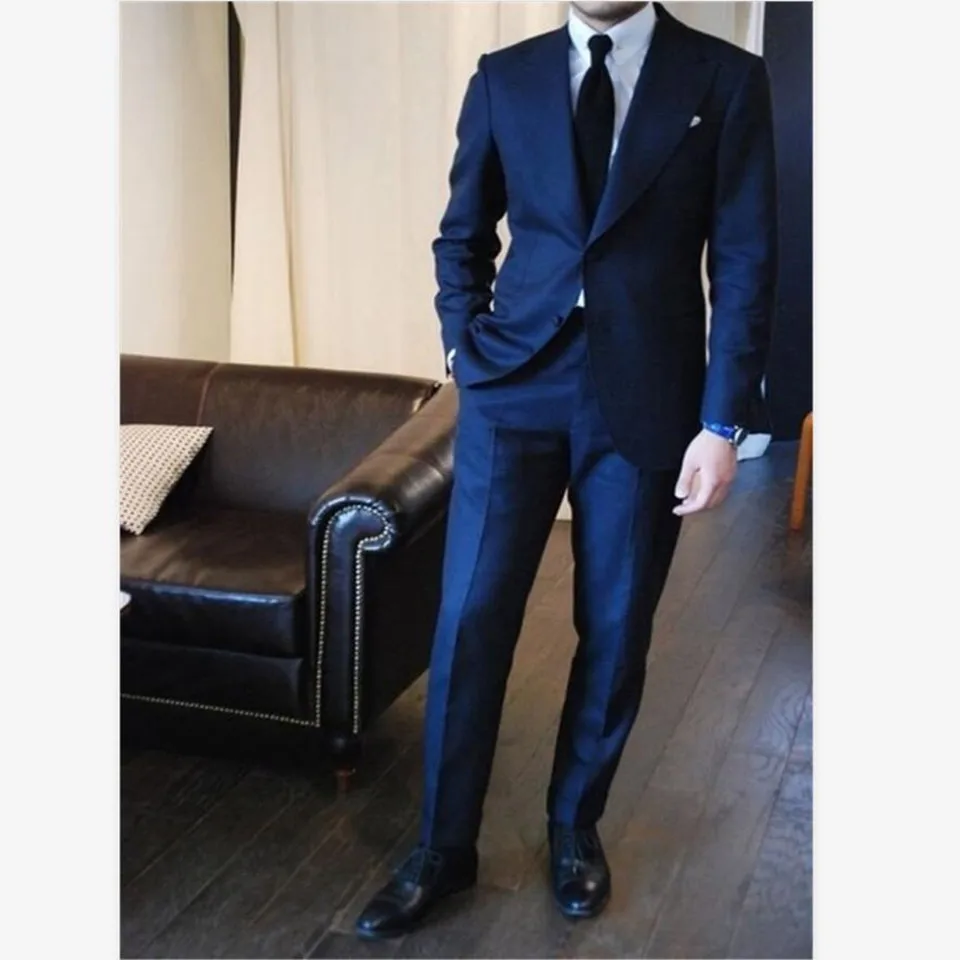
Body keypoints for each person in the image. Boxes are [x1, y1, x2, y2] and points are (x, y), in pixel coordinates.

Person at [355, 0, 776, 939]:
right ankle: (442, 847)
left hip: (649, 394)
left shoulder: (724, 79)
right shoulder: (505, 79)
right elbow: (462, 233)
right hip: (514, 387)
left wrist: (722, 422)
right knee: (470, 617)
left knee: (616, 624)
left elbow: (747, 257)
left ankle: (573, 826)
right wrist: (464, 347)